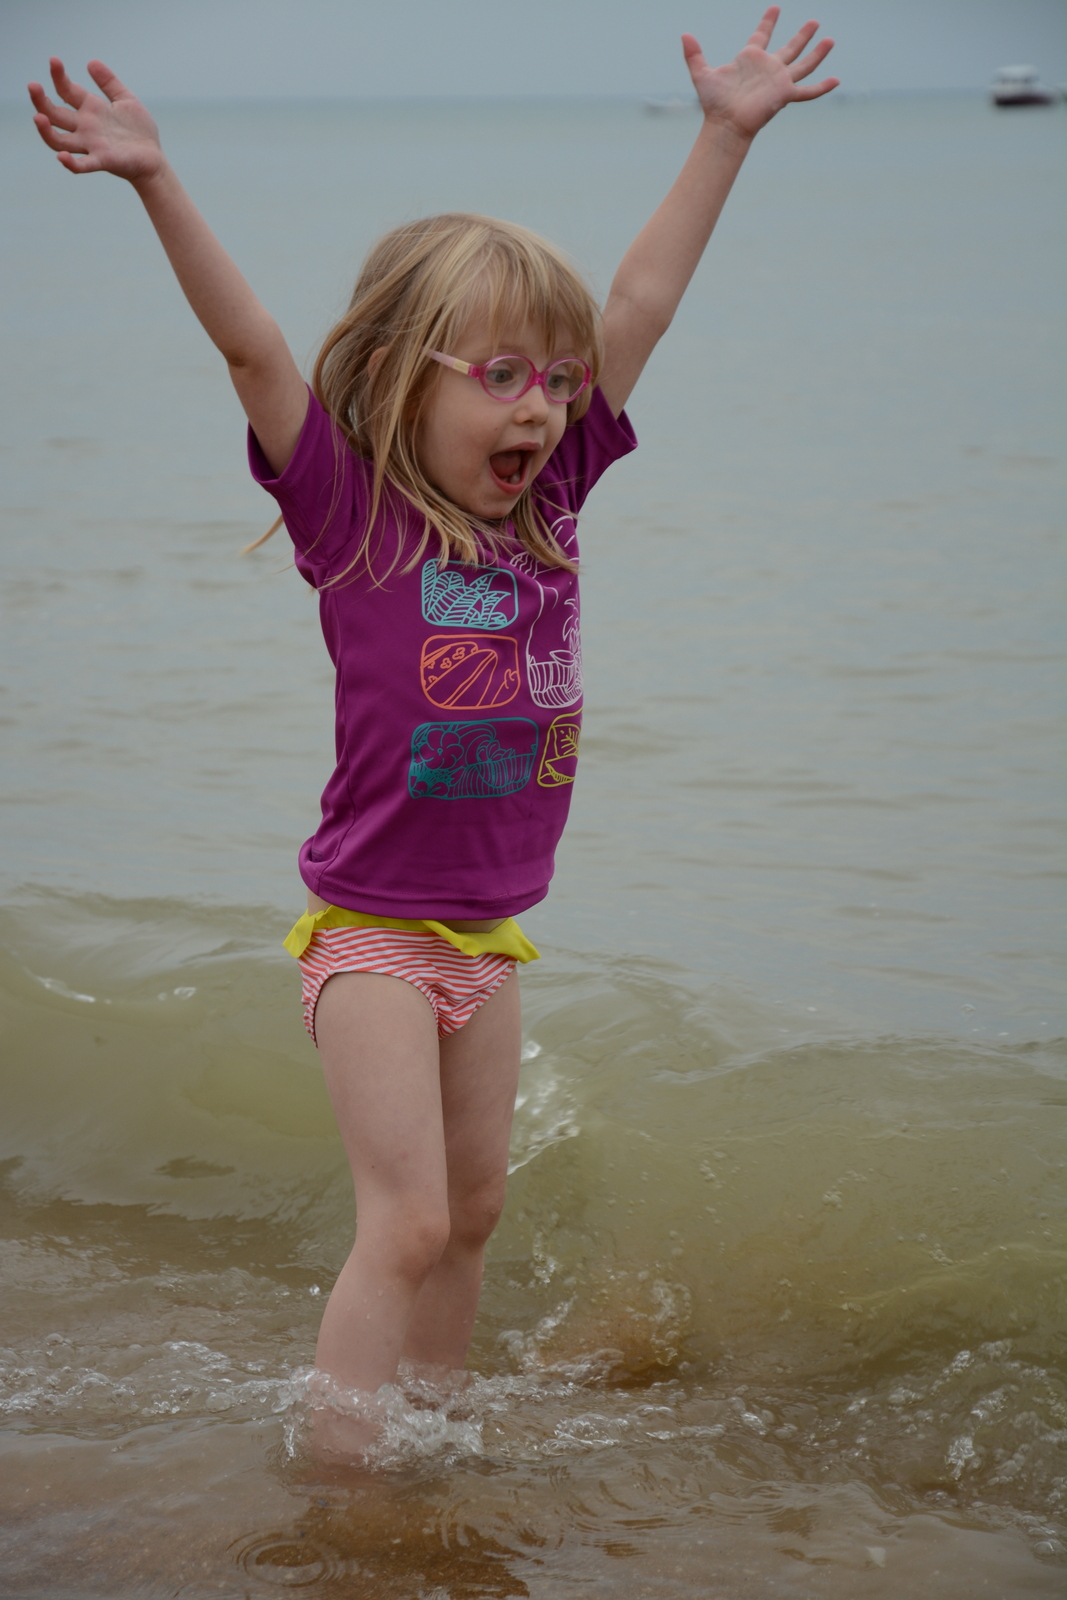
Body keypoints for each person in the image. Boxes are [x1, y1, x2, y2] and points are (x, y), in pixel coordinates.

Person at [29, 7, 837, 1463]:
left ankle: (435, 1429)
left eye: (560, 381)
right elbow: (252, 348)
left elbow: (641, 302)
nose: (543, 408)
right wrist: (155, 178)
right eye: (503, 375)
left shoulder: (555, 506)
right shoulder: (355, 517)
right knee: (402, 1222)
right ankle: (345, 1475)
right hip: (375, 938)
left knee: (473, 1216)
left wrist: (726, 135)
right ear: (412, 374)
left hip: (489, 936)